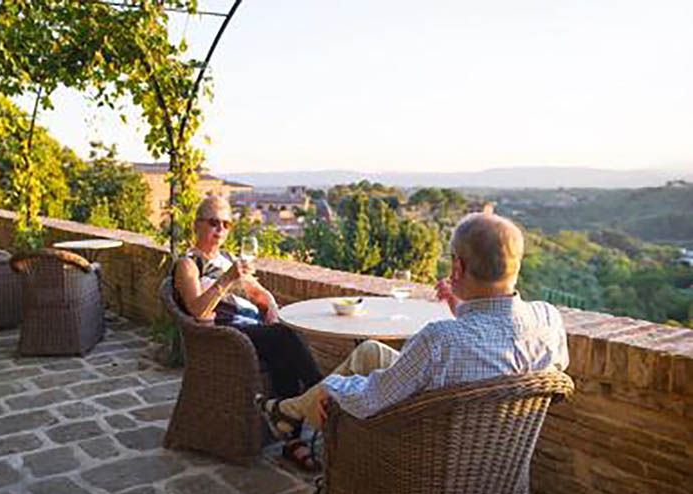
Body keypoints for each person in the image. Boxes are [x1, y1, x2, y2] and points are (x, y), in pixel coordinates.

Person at [259, 212, 569, 436]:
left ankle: (291, 413)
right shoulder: (548, 319)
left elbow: (372, 398)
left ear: (458, 267)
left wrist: (332, 388)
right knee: (370, 353)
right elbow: (495, 343)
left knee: (342, 387)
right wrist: (456, 304)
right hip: (496, 453)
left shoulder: (440, 340)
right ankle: (292, 413)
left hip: (425, 451)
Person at [174, 197, 324, 470]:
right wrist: (227, 278)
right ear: (197, 225)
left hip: (250, 329)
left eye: (226, 224)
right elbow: (197, 309)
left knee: (285, 343)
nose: (220, 229)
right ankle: (326, 396)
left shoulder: (228, 258)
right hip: (225, 337)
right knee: (284, 339)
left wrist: (269, 305)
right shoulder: (189, 264)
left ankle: (291, 436)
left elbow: (256, 291)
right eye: (213, 222)